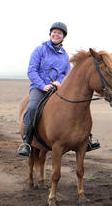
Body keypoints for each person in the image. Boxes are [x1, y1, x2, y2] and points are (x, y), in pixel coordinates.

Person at [16, 22, 100, 157]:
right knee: (31, 108)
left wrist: (59, 83)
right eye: (54, 32)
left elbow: (68, 75)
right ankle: (26, 142)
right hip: (40, 88)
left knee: (78, 109)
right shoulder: (39, 50)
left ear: (63, 37)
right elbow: (32, 71)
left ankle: (85, 139)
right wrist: (43, 85)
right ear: (50, 34)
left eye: (59, 33)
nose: (56, 34)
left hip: (58, 89)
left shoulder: (65, 56)